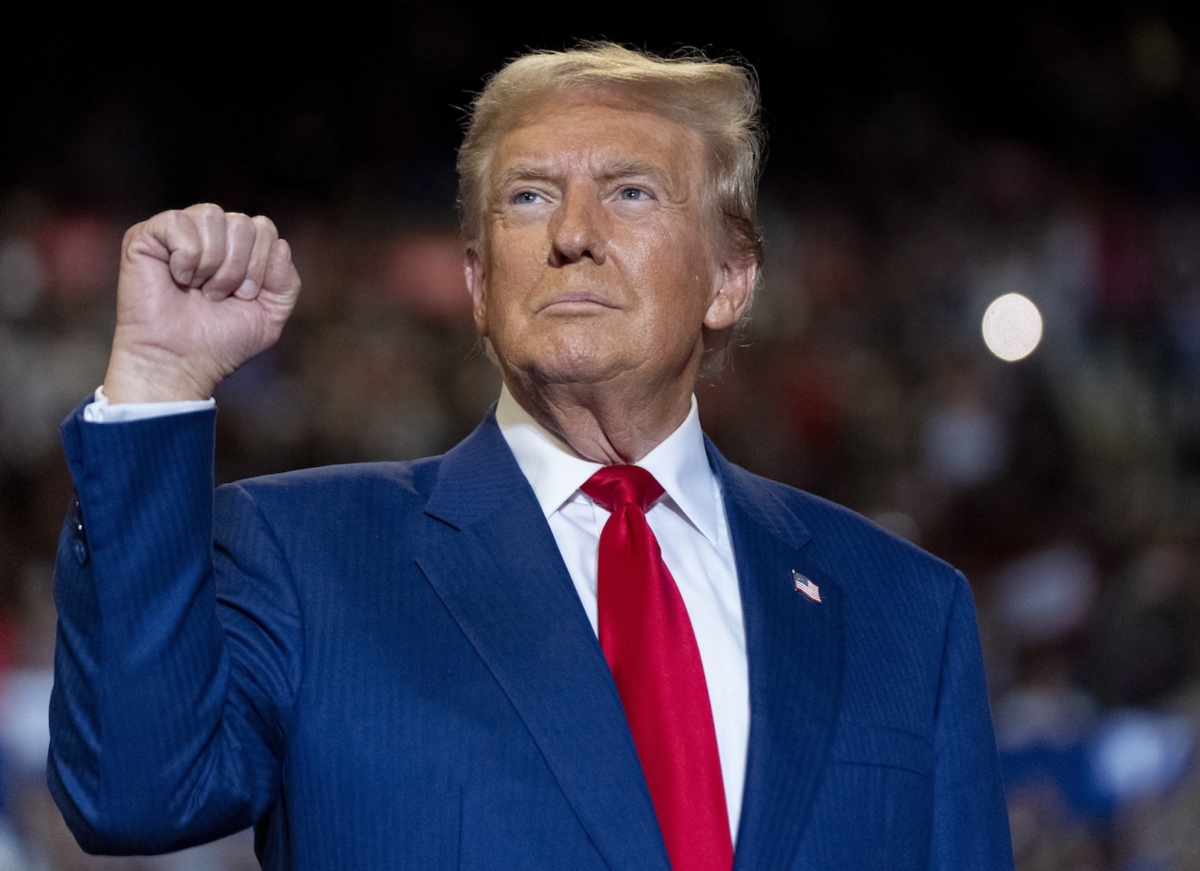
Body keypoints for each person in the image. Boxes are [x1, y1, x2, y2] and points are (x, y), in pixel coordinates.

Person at [49, 43, 1013, 870]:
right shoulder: (304, 557)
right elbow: (135, 792)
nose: (573, 234)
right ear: (477, 282)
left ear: (729, 279)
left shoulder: (902, 609)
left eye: (631, 191)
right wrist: (158, 382)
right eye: (529, 196)